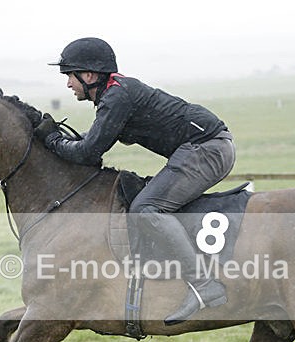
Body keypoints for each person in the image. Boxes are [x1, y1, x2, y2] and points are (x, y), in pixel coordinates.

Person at [35, 37, 236, 325]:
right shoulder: (114, 93)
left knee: (146, 209)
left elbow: (89, 152)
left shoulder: (117, 97)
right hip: (201, 146)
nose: (68, 83)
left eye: (70, 75)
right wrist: (62, 141)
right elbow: (93, 146)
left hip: (206, 147)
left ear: (89, 75)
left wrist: (52, 140)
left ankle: (205, 285)